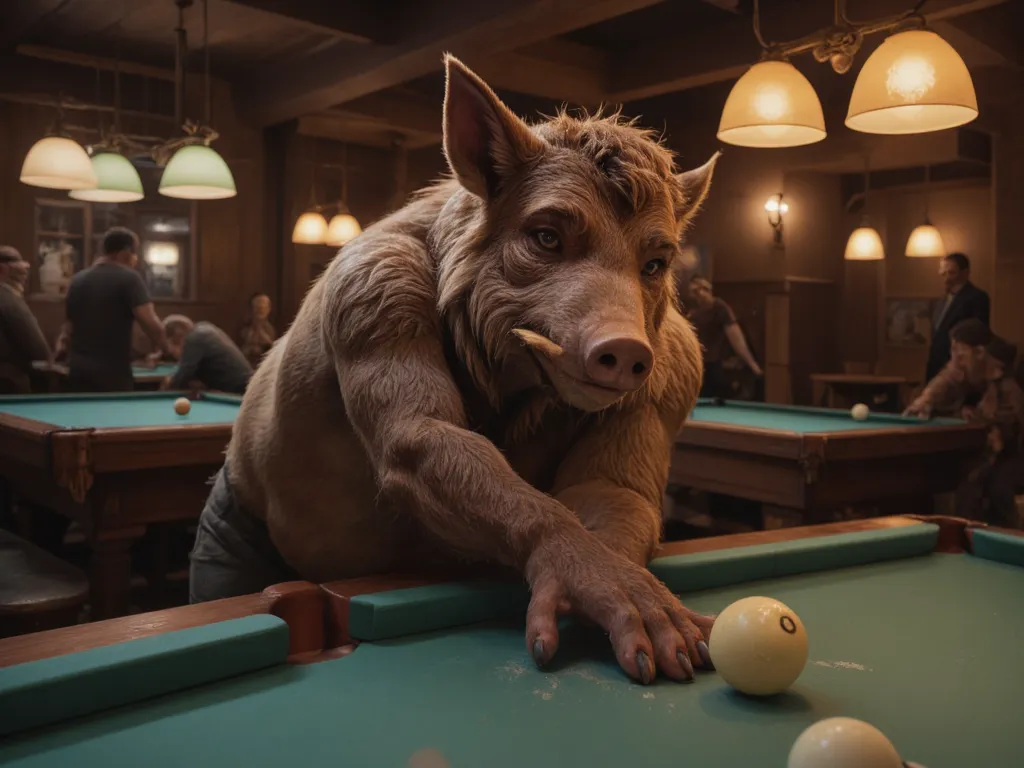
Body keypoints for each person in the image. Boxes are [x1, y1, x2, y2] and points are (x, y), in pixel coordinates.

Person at [56, 228, 170, 392]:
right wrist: (166, 350)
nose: (136, 259)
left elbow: (67, 328)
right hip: (112, 372)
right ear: (125, 252)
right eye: (135, 252)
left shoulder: (77, 279)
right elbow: (150, 323)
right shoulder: (130, 278)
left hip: (78, 370)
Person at [951, 336, 1024, 527]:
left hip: (1013, 456)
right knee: (971, 482)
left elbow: (1009, 426)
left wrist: (997, 431)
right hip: (1000, 454)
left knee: (994, 486)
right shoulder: (990, 385)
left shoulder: (1010, 388)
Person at [686, 275, 762, 397]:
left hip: (713, 366)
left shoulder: (719, 308)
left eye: (701, 289)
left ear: (708, 289)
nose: (699, 294)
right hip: (694, 365)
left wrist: (752, 364)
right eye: (694, 291)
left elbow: (736, 337)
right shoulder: (692, 310)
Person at [905, 319, 993, 419]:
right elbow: (943, 382)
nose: (955, 360)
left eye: (962, 352)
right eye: (954, 350)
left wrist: (978, 412)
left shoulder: (997, 373)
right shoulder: (957, 369)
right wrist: (925, 400)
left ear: (980, 353)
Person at [925, 252, 990, 383]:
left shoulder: (977, 298)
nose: (946, 279)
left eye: (951, 273)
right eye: (943, 274)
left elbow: (978, 335)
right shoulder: (941, 301)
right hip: (937, 367)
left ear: (965, 273)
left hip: (960, 369)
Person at [0, 246, 51, 393]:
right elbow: (37, 348)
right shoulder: (7, 298)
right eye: (21, 273)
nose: (24, 278)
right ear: (3, 270)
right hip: (8, 383)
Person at [161, 315, 253, 395]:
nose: (171, 350)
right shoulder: (204, 328)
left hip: (240, 392)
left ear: (177, 336)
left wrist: (169, 383)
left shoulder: (195, 338)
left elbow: (181, 377)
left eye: (170, 344)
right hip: (245, 388)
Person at [238, 293, 276, 367]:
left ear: (268, 309)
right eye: (258, 307)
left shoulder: (270, 330)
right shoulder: (243, 329)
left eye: (264, 307)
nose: (261, 309)